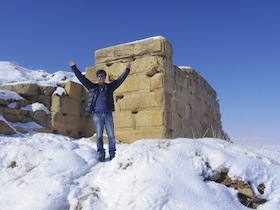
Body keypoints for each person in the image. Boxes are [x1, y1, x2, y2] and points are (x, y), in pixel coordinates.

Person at [69, 60, 131, 162]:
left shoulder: (110, 87)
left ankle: (112, 153)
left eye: (103, 76)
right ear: (97, 78)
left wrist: (127, 70)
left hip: (108, 114)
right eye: (100, 76)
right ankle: (101, 154)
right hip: (97, 115)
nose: (101, 78)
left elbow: (120, 80)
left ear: (105, 77)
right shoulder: (92, 87)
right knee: (99, 136)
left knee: (111, 135)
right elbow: (81, 78)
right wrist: (74, 68)